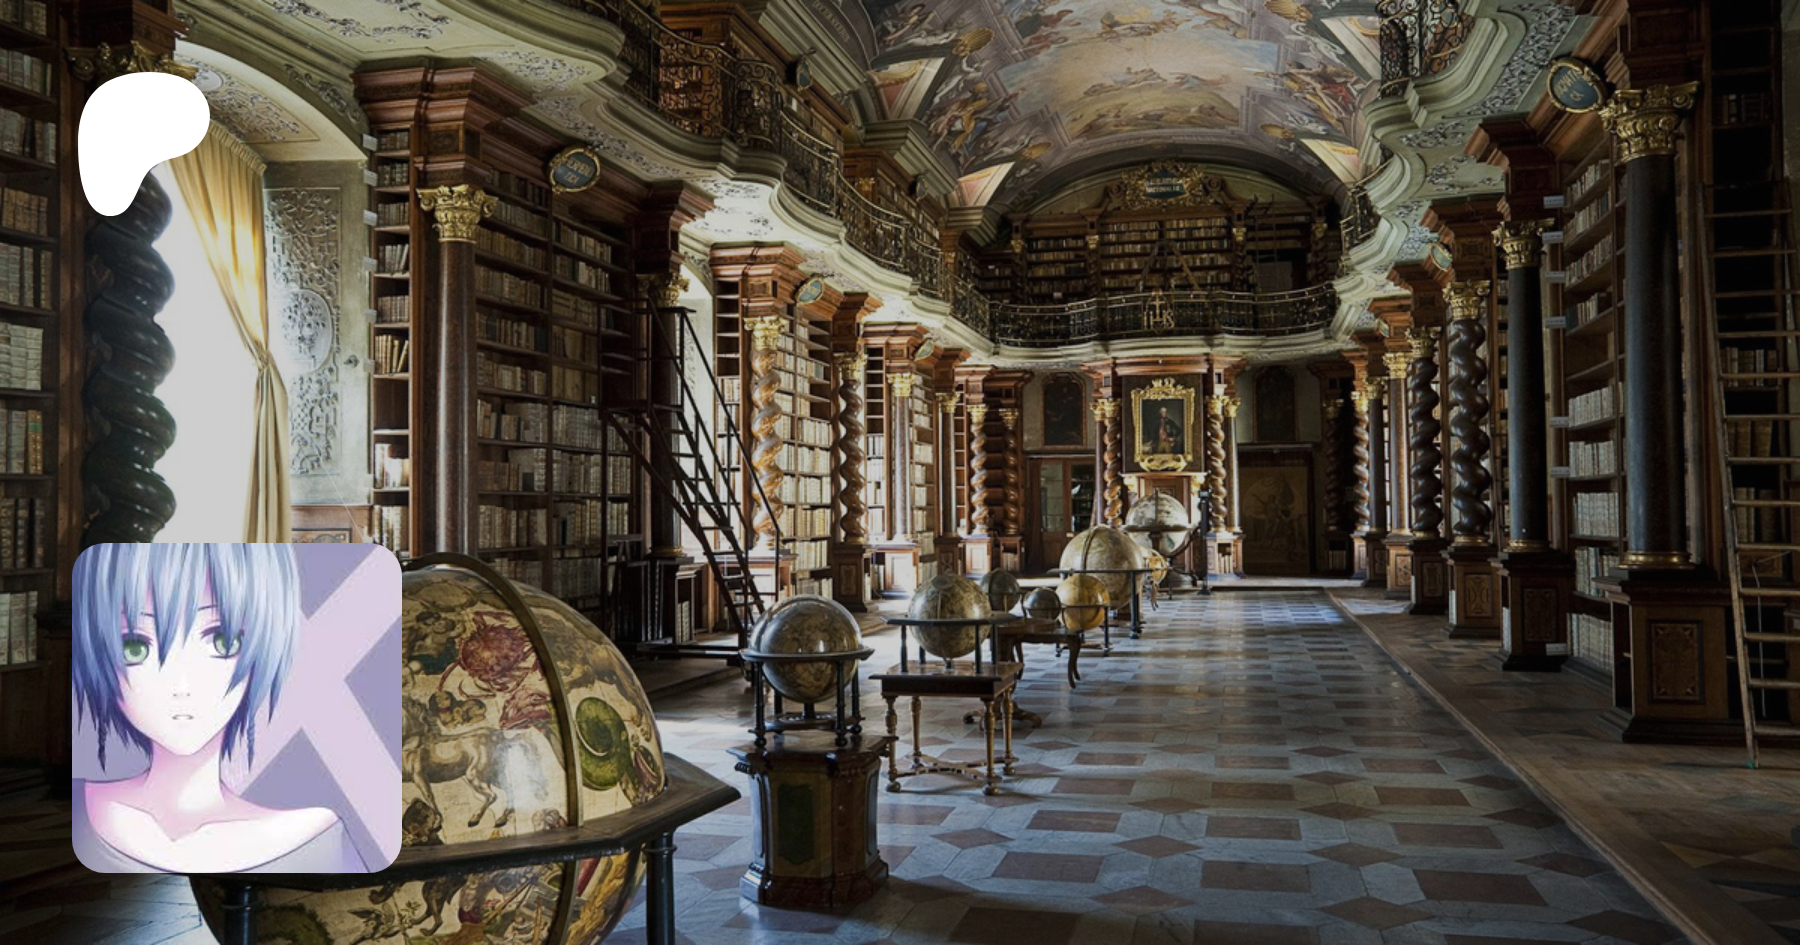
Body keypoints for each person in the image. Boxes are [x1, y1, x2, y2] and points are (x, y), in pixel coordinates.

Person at [71, 543, 364, 872]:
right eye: (135, 646)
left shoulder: (314, 832)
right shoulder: (81, 809)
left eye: (222, 641)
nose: (181, 685)